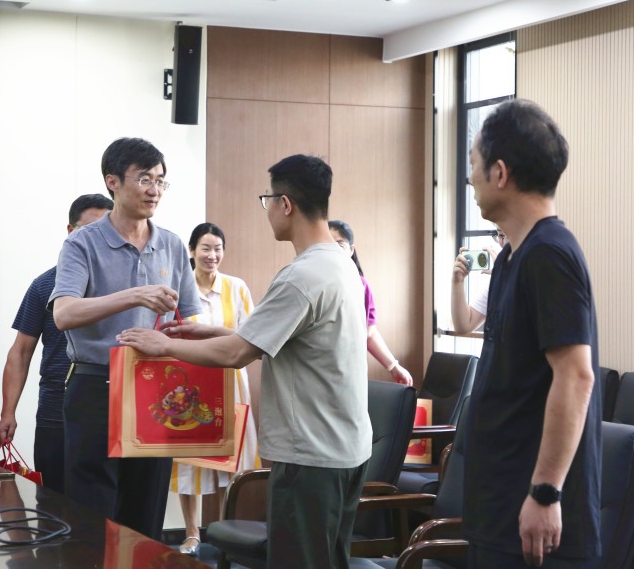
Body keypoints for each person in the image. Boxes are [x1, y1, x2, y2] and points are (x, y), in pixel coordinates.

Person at [118, 154, 372, 569]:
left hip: (310, 456)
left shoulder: (301, 276)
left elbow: (237, 354)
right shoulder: (340, 264)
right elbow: (267, 339)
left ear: (285, 204)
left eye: (267, 199)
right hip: (345, 450)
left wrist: (162, 346)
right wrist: (207, 332)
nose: (267, 209)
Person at [463, 99, 600, 568]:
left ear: (499, 173)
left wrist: (545, 492)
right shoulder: (511, 257)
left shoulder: (549, 254)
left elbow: (576, 376)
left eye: (474, 165)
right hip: (499, 504)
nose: (470, 179)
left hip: (532, 515)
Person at [49, 137, 202, 541]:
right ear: (112, 181)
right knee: (92, 512)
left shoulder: (171, 244)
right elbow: (64, 314)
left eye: (160, 181)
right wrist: (135, 295)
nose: (154, 190)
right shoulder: (82, 243)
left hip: (155, 388)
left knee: (146, 508)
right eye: (144, 179)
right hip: (95, 386)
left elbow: (188, 320)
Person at [0, 193, 113, 494]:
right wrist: (8, 412)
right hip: (55, 412)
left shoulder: (124, 285)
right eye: (89, 230)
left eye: (106, 231)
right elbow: (21, 352)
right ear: (71, 232)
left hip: (112, 413)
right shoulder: (45, 285)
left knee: (105, 506)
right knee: (53, 504)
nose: (98, 239)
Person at [172, 222, 260, 556]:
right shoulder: (179, 289)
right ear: (192, 251)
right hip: (189, 387)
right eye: (206, 248)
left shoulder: (236, 288)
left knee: (228, 459)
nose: (212, 255)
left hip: (229, 384)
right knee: (187, 461)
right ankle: (192, 533)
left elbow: (252, 336)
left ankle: (224, 532)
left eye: (218, 248)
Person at [328, 219, 413, 386]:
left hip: (350, 373)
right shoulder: (312, 283)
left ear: (351, 250)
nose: (334, 251)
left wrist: (393, 366)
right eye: (328, 245)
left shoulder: (361, 286)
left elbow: (369, 333)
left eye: (340, 245)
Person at [450, 233, 503, 333]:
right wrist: (457, 281)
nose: (501, 243)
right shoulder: (494, 283)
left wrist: (504, 279)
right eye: (499, 235)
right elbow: (464, 326)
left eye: (504, 235)